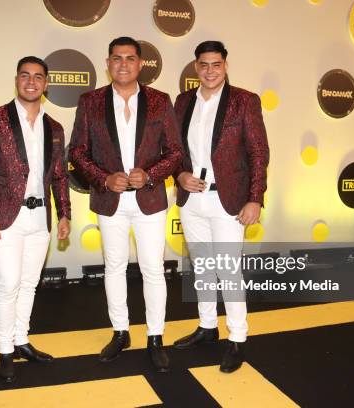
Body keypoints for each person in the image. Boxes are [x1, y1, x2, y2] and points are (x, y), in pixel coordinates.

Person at [69, 36, 183, 373]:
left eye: (130, 58)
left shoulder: (161, 101)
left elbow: (175, 151)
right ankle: (120, 332)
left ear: (140, 64)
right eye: (116, 58)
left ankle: (155, 337)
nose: (123, 64)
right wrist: (104, 179)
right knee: (114, 267)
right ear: (107, 63)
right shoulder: (89, 101)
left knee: (153, 268)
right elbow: (77, 150)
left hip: (150, 200)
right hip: (110, 200)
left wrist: (149, 175)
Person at [0, 56, 71, 382]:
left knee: (29, 284)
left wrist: (65, 214)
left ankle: (21, 341)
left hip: (40, 218)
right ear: (17, 80)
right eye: (25, 75)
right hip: (5, 218)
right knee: (8, 284)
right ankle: (4, 350)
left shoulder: (54, 128)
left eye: (38, 77)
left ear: (46, 84)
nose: (31, 81)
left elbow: (58, 176)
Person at [172, 41, 269, 373]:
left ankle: (238, 337)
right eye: (203, 64)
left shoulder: (244, 100)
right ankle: (207, 326)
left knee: (228, 269)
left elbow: (258, 153)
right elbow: (174, 150)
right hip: (192, 199)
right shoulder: (184, 101)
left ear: (225, 65)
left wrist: (255, 198)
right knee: (201, 267)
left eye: (216, 64)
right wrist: (180, 174)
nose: (209, 70)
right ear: (196, 67)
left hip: (229, 200)